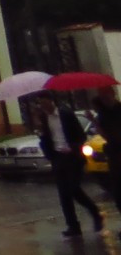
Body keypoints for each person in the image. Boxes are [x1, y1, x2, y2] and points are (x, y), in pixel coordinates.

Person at [38, 94, 105, 236]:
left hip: (73, 157)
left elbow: (81, 137)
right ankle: (73, 226)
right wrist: (43, 136)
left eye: (45, 104)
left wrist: (72, 148)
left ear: (51, 102)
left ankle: (95, 211)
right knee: (63, 194)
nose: (44, 108)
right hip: (58, 158)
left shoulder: (66, 114)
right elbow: (46, 141)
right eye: (41, 105)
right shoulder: (43, 119)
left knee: (73, 188)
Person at [94, 91, 121, 209]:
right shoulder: (103, 113)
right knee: (118, 192)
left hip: (117, 152)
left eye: (106, 96)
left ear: (113, 94)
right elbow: (106, 135)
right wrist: (94, 121)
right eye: (102, 97)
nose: (105, 100)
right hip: (114, 155)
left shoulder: (119, 110)